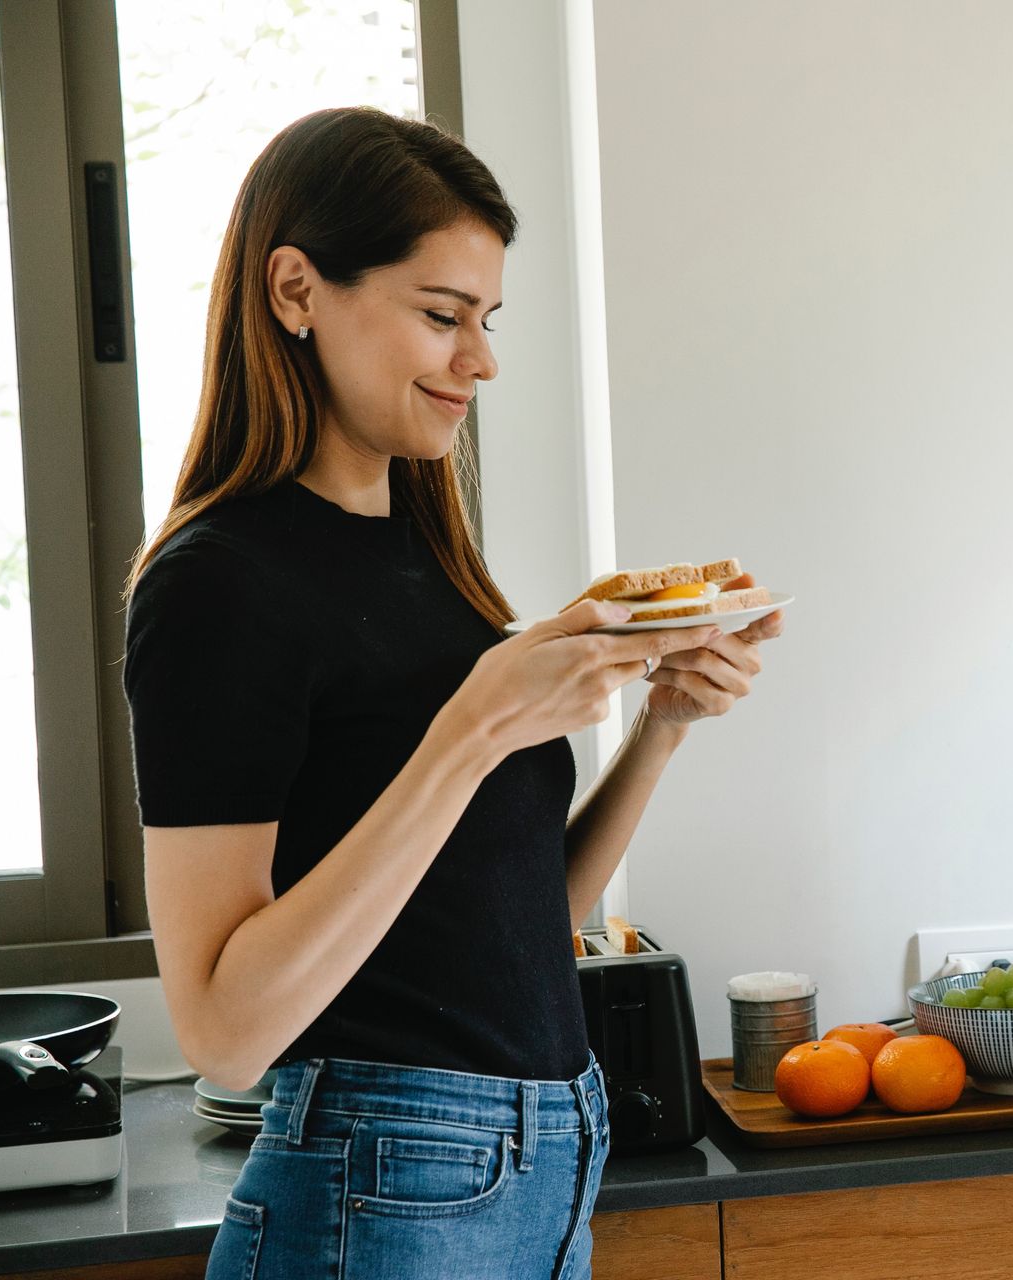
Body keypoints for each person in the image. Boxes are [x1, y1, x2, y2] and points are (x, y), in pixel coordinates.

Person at [122, 106, 781, 1280]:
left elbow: (519, 912)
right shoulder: (217, 586)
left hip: (539, 1169)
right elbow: (223, 1028)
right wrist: (470, 730)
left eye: (486, 319)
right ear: (294, 289)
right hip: (385, 1186)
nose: (480, 359)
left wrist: (659, 730)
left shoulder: (432, 563)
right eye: (442, 316)